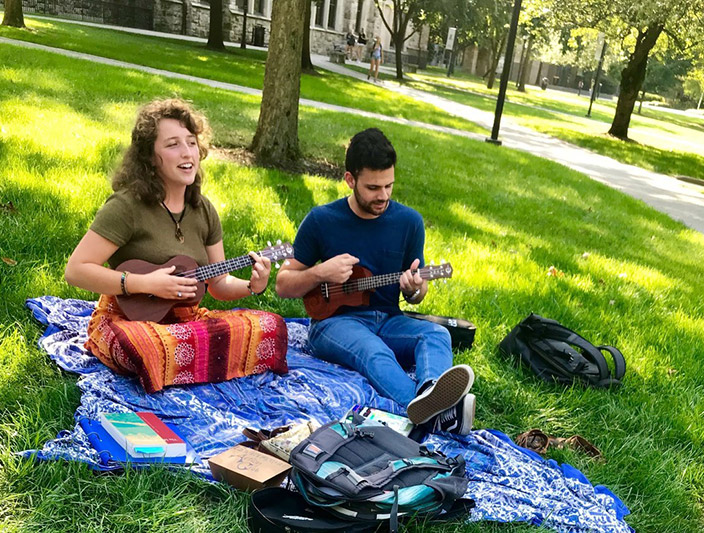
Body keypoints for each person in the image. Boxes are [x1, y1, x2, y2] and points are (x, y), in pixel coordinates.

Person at [64, 98, 288, 394]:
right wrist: (145, 283)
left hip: (185, 324)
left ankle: (182, 362)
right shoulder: (126, 207)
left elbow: (218, 284)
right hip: (127, 318)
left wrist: (252, 285)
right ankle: (192, 361)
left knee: (271, 326)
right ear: (150, 157)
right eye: (173, 145)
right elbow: (76, 271)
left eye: (192, 143)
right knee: (144, 346)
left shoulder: (203, 210)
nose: (187, 153)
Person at [275, 128, 475, 435]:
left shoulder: (409, 223)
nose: (382, 195)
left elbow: (417, 293)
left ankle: (433, 391)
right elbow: (283, 284)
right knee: (374, 351)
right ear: (350, 180)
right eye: (372, 187)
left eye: (389, 186)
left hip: (388, 319)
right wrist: (320, 272)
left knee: (437, 336)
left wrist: (415, 289)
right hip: (334, 323)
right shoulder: (322, 220)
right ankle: (428, 412)